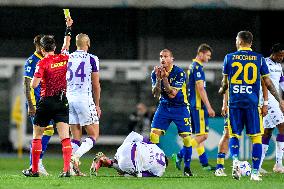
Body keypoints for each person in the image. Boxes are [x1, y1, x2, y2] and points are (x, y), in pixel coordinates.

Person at [218, 31, 284, 181]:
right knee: (256, 138)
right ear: (250, 43)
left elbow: (224, 84)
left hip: (234, 103)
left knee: (234, 135)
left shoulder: (229, 58)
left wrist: (222, 90)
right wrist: (278, 99)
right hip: (252, 104)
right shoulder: (259, 59)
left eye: (236, 39)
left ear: (240, 42)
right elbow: (268, 83)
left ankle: (235, 161)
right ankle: (255, 173)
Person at [22, 17, 73, 177]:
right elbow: (67, 44)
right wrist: (68, 28)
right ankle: (66, 170)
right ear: (55, 47)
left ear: (43, 49)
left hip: (45, 102)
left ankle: (34, 169)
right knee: (65, 137)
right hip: (62, 101)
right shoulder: (64, 57)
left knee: (37, 135)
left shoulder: (42, 63)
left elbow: (33, 85)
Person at [150, 49, 193, 176]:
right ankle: (158, 164)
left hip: (180, 107)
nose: (162, 59)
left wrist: (164, 79)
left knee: (187, 138)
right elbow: (155, 93)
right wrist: (158, 79)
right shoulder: (155, 72)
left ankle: (187, 168)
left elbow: (173, 94)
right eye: (161, 56)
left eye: (166, 56)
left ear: (171, 59)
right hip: (164, 106)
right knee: (153, 135)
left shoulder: (179, 73)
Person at [67, 33, 101, 175]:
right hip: (84, 99)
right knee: (94, 134)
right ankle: (75, 157)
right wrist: (97, 104)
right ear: (88, 43)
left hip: (69, 99)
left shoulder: (68, 57)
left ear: (76, 44)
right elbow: (95, 84)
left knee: (75, 137)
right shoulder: (92, 58)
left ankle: (73, 169)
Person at [215, 87, 267, 177]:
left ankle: (255, 169)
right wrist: (224, 103)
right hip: (234, 105)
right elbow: (226, 84)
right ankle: (219, 167)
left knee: (255, 136)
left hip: (250, 105)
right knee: (227, 134)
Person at [22, 35, 54, 176]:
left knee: (48, 131)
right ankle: (34, 164)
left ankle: (37, 162)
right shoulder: (32, 61)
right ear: (39, 46)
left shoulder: (47, 59)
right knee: (39, 133)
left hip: (46, 102)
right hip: (36, 103)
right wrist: (31, 105)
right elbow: (26, 85)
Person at [181, 43, 216, 171]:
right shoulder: (197, 67)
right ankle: (180, 154)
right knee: (204, 135)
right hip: (198, 106)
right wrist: (209, 107)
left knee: (198, 137)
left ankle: (205, 164)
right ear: (201, 53)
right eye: (208, 55)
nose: (209, 58)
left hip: (192, 105)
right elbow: (200, 89)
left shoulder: (192, 66)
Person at [90, 131, 167, 177]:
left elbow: (136, 136)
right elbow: (145, 176)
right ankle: (112, 163)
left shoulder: (157, 148)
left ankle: (111, 160)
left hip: (125, 148)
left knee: (134, 136)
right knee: (135, 173)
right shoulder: (160, 171)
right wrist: (126, 173)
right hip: (128, 164)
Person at [259, 43, 284, 174]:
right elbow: (264, 82)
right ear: (273, 53)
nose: (281, 57)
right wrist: (267, 101)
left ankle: (258, 165)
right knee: (283, 127)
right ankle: (279, 164)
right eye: (279, 55)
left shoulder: (279, 66)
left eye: (283, 55)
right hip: (267, 100)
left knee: (267, 132)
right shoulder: (264, 63)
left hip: (275, 100)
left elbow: (281, 82)